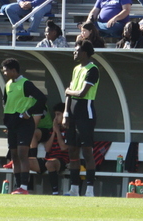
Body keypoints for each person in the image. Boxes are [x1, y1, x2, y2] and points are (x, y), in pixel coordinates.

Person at [0, 58, 47, 195]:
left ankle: (24, 187)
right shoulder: (8, 84)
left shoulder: (25, 83)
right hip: (12, 123)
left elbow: (42, 99)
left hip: (24, 123)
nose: (4, 73)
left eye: (5, 71)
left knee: (22, 154)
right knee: (14, 155)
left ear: (13, 71)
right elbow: (6, 103)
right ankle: (17, 186)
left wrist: (28, 112)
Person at [63, 40, 99, 197]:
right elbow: (69, 94)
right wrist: (65, 114)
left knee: (87, 152)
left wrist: (69, 91)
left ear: (84, 53)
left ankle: (90, 189)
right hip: (72, 115)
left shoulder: (93, 69)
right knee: (72, 151)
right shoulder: (76, 69)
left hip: (86, 114)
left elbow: (81, 93)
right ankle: (74, 189)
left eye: (76, 51)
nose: (74, 53)